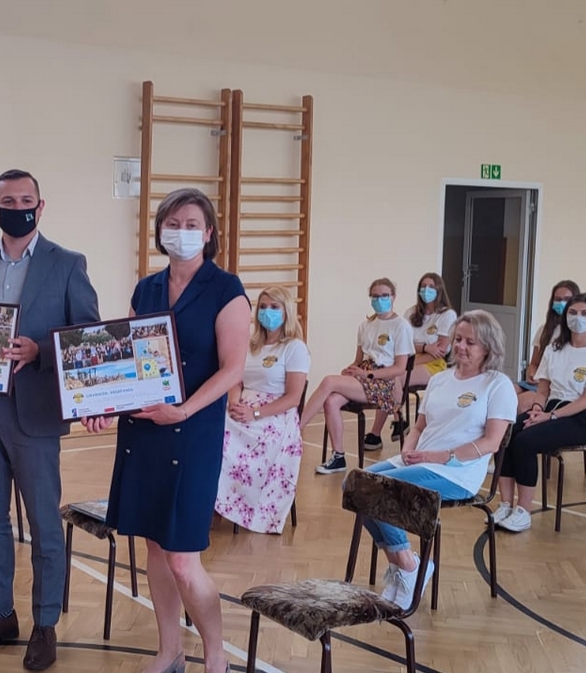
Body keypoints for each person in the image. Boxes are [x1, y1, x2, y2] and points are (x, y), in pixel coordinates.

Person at [86, 188, 249, 673]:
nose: (182, 232)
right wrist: (102, 404)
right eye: (173, 223)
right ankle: (170, 650)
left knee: (183, 559)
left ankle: (215, 654)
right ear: (160, 231)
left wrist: (184, 410)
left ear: (209, 232)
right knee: (155, 549)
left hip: (193, 434)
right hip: (144, 434)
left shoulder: (226, 289)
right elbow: (129, 361)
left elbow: (233, 370)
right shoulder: (147, 289)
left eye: (192, 224)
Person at [0, 169, 101, 671]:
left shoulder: (67, 263)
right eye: (9, 201)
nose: (20, 207)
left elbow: (88, 338)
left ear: (41, 205)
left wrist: (40, 352)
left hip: (33, 414)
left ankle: (45, 623)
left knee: (43, 524)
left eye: (27, 199)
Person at [361, 310, 516, 609]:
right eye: (458, 339)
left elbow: (491, 442)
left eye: (470, 342)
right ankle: (404, 564)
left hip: (457, 472)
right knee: (355, 485)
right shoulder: (440, 379)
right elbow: (419, 427)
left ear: (488, 347)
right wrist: (407, 448)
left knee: (382, 488)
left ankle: (409, 568)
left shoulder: (497, 384)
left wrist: (442, 456)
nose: (461, 346)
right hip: (420, 460)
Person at [496, 293, 586, 532]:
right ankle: (505, 505)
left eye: (584, 313)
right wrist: (537, 410)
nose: (577, 318)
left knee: (525, 442)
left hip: (582, 418)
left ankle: (523, 510)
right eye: (572, 313)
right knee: (506, 433)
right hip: (550, 408)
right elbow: (543, 390)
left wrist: (550, 417)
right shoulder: (554, 349)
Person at [215, 286, 310, 534]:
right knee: (211, 431)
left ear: (286, 311)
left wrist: (255, 413)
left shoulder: (294, 348)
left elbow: (293, 397)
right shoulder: (250, 345)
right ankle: (216, 503)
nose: (268, 312)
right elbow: (235, 379)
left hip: (274, 415)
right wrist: (234, 402)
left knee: (225, 440)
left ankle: (226, 507)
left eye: (274, 307)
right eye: (264, 307)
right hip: (242, 406)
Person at [300, 278, 414, 474]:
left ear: (393, 297)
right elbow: (358, 360)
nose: (379, 300)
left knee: (328, 381)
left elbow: (399, 368)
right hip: (364, 375)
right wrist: (351, 369)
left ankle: (296, 429)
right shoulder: (365, 325)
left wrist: (368, 374)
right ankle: (338, 457)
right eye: (375, 296)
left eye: (384, 296)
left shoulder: (401, 326)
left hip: (383, 382)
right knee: (331, 401)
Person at [377, 272, 458, 443]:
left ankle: (395, 422)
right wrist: (425, 347)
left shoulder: (447, 315)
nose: (426, 290)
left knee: (393, 376)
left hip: (433, 364)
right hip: (408, 359)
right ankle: (384, 429)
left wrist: (412, 353)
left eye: (431, 287)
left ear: (439, 289)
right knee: (388, 375)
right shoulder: (411, 313)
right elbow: (401, 343)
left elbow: (440, 350)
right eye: (423, 287)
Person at [517, 280, 581, 412]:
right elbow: (534, 363)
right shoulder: (545, 329)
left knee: (522, 402)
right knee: (505, 393)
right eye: (558, 299)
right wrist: (531, 373)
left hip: (555, 387)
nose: (562, 303)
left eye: (567, 299)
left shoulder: (578, 333)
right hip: (537, 383)